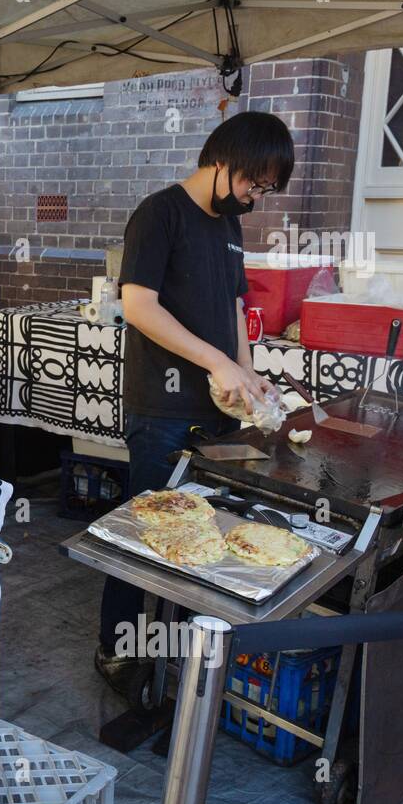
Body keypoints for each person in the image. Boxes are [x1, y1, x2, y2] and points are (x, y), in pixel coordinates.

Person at [94, 112, 295, 697]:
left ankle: (177, 646)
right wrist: (215, 363)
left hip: (214, 413)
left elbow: (233, 305)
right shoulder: (159, 214)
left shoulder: (229, 228)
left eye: (264, 189)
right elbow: (138, 306)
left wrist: (248, 374)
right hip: (160, 409)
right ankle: (118, 650)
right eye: (251, 183)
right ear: (222, 160)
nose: (254, 198)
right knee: (143, 532)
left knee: (202, 533)